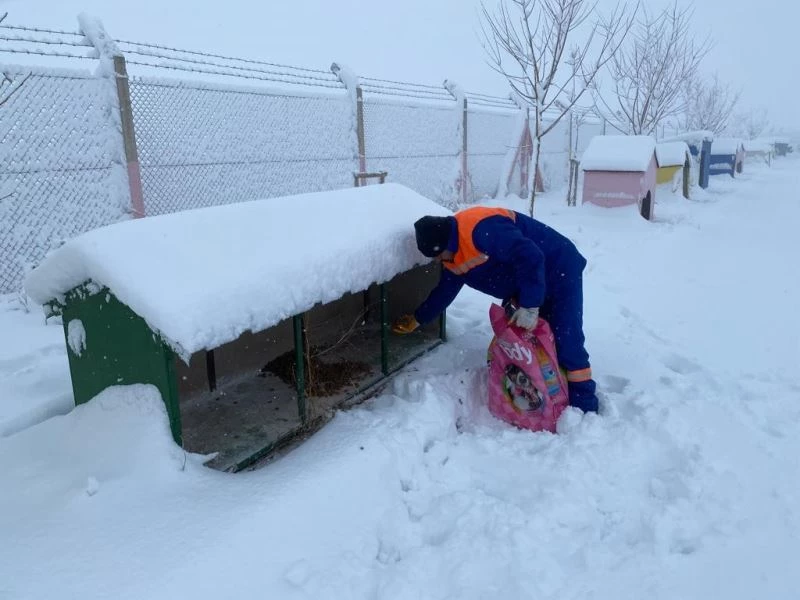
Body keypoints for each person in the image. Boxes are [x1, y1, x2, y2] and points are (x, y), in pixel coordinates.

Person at [392, 206, 598, 413]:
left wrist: (529, 305)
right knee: (525, 340)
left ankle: (583, 406)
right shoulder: (452, 256)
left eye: (437, 256)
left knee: (566, 335)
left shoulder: (482, 229)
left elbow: (530, 256)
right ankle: (547, 392)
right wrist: (418, 318)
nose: (438, 261)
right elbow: (444, 291)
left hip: (558, 268)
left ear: (443, 244)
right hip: (525, 282)